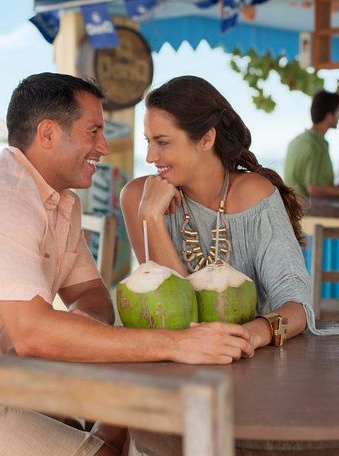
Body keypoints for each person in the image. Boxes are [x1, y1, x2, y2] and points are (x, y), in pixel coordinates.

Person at [0, 73, 254, 456]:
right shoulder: (0, 202)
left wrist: (68, 332)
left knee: (120, 426)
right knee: (117, 437)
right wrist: (178, 344)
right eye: (93, 132)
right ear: (47, 134)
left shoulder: (58, 202)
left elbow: (91, 296)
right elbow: (34, 335)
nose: (103, 147)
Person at [120, 75, 310, 352]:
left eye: (162, 142)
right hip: (170, 365)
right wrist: (151, 218)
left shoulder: (254, 194)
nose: (150, 157)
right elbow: (174, 315)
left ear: (207, 138)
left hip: (249, 362)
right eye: (148, 141)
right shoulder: (139, 197)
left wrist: (248, 336)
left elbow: (297, 306)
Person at [284, 89, 339, 198]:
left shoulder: (295, 141)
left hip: (292, 210)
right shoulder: (316, 145)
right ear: (329, 116)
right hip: (308, 212)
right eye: (338, 112)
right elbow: (314, 189)